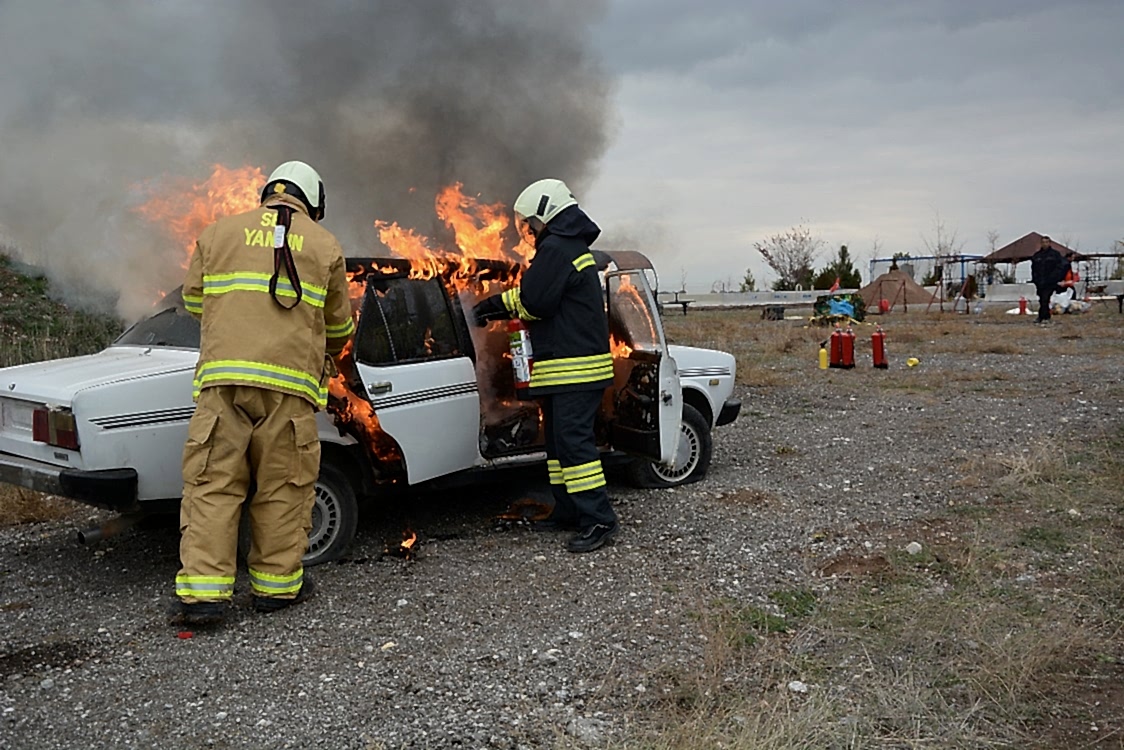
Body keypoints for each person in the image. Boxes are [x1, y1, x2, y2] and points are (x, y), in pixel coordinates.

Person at [171, 161, 355, 625]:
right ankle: (276, 588)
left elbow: (194, 300)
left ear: (267, 194)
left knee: (212, 485)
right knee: (284, 486)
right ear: (313, 202)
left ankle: (205, 597)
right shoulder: (325, 245)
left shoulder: (218, 234)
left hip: (223, 384)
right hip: (289, 388)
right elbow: (339, 327)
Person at [472, 179, 619, 553]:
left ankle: (599, 518)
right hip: (566, 370)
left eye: (529, 222)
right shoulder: (570, 247)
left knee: (574, 446)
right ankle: (568, 509)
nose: (528, 230)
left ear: (545, 213)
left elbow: (534, 301)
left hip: (575, 370)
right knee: (557, 446)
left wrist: (490, 308)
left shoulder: (557, 248)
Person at [1030, 235, 1070, 325]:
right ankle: (1044, 316)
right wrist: (1035, 279)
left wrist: (1057, 277)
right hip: (1040, 282)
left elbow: (1064, 265)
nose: (1045, 244)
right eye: (1043, 242)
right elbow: (1033, 269)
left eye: (1047, 242)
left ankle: (1043, 317)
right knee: (1042, 299)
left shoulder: (1055, 255)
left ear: (1049, 243)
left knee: (1045, 298)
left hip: (1050, 281)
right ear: (1041, 243)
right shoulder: (1037, 256)